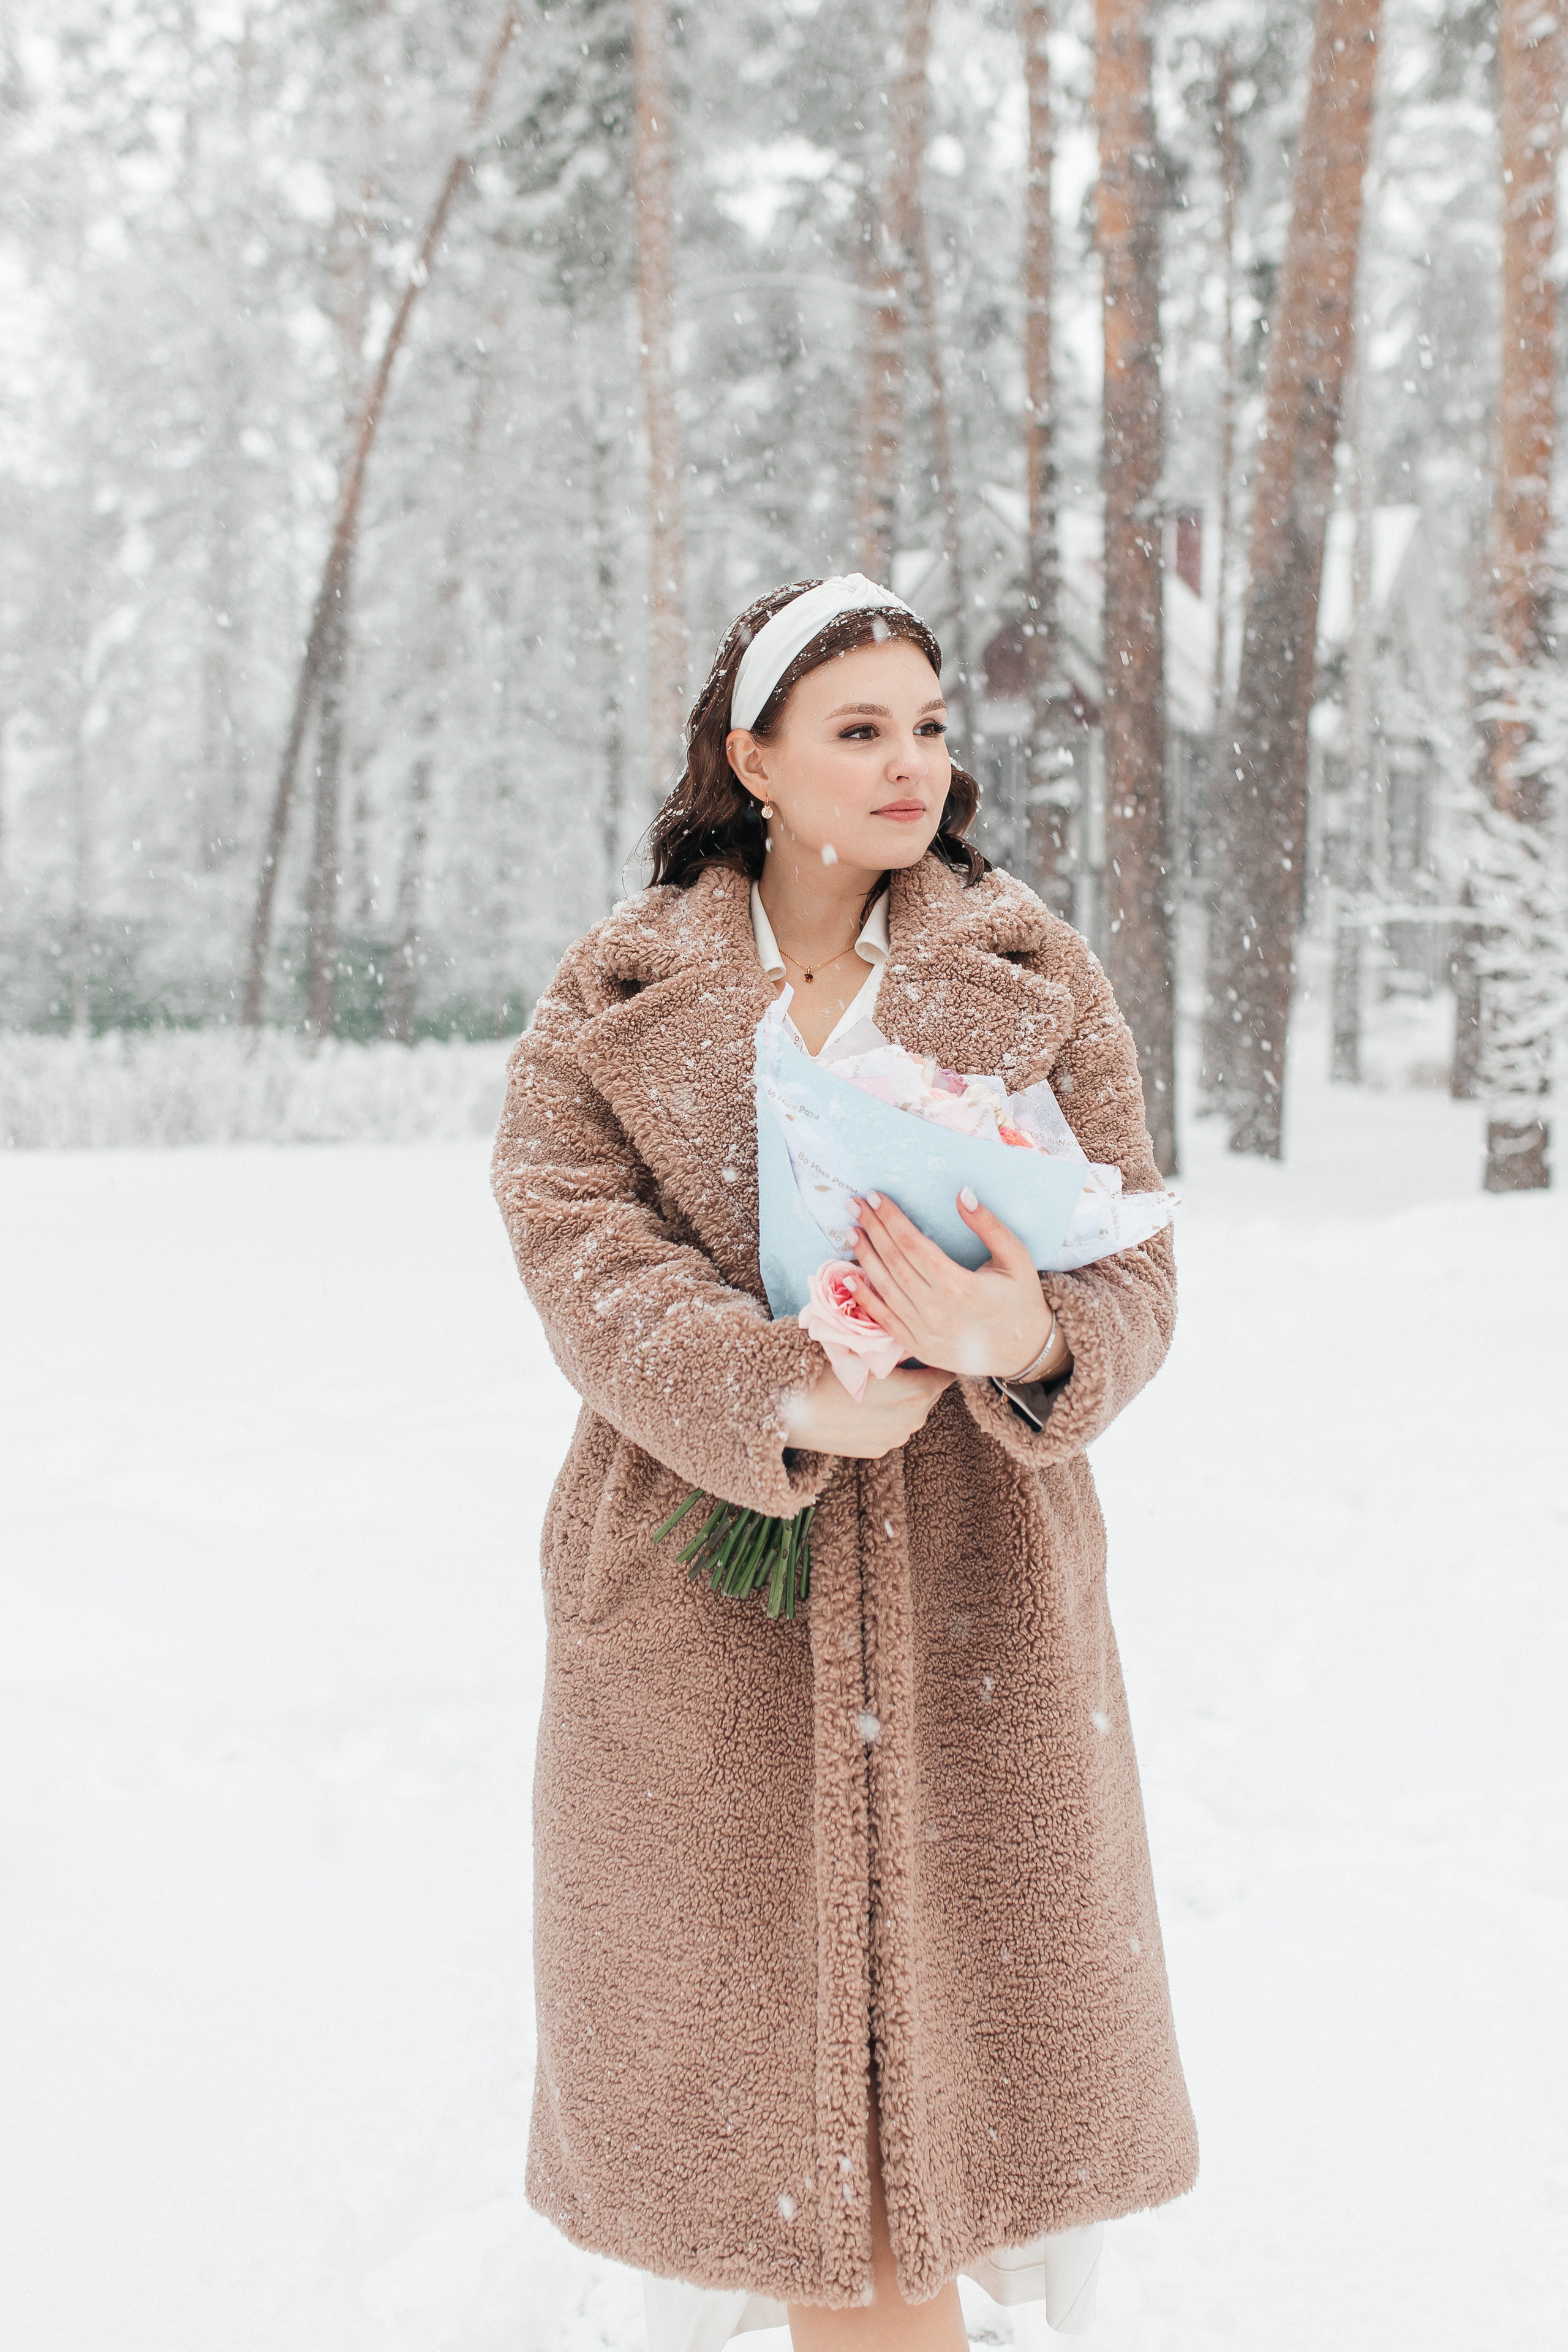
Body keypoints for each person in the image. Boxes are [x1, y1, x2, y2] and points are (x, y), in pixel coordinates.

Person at [492, 576, 1197, 2352]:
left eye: (930, 728)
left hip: (977, 1604)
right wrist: (778, 1391)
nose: (912, 766)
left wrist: (1023, 1332)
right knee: (792, 2141)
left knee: (915, 2155)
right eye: (861, 730)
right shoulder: (619, 988)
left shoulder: (1033, 973)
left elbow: (1133, 1259)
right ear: (755, 761)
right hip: (699, 1604)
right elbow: (574, 1242)